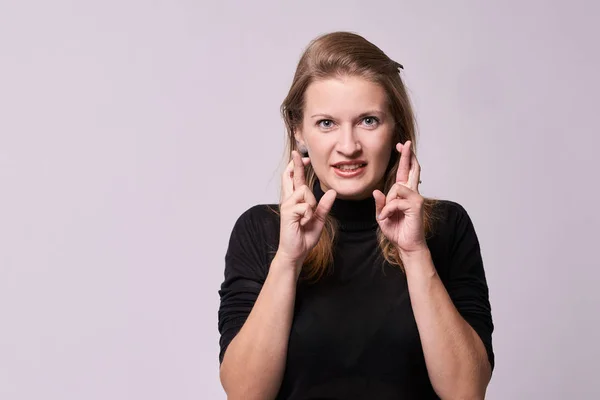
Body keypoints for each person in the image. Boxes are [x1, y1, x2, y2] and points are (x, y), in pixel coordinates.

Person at [217, 31, 494, 400]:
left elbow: (466, 391)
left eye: (367, 121)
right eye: (326, 123)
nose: (348, 147)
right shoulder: (260, 230)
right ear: (298, 130)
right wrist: (287, 259)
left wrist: (415, 254)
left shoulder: (446, 227)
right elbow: (245, 393)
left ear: (396, 125)